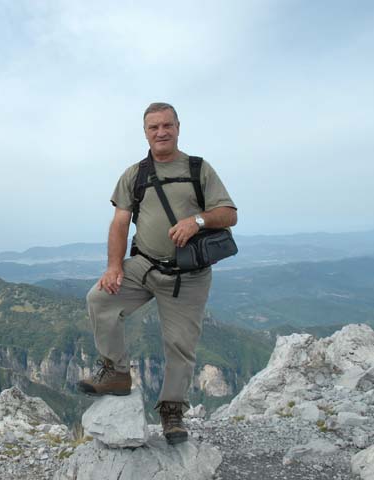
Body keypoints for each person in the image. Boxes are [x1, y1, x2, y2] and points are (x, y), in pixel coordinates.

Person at [77, 102, 238, 445]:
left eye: (167, 125)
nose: (161, 132)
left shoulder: (198, 169)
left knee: (180, 346)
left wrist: (197, 221)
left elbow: (228, 214)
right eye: (154, 127)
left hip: (188, 276)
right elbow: (120, 222)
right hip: (144, 265)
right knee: (99, 299)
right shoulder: (134, 175)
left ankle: (172, 411)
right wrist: (114, 266)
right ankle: (117, 373)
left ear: (178, 128)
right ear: (145, 132)